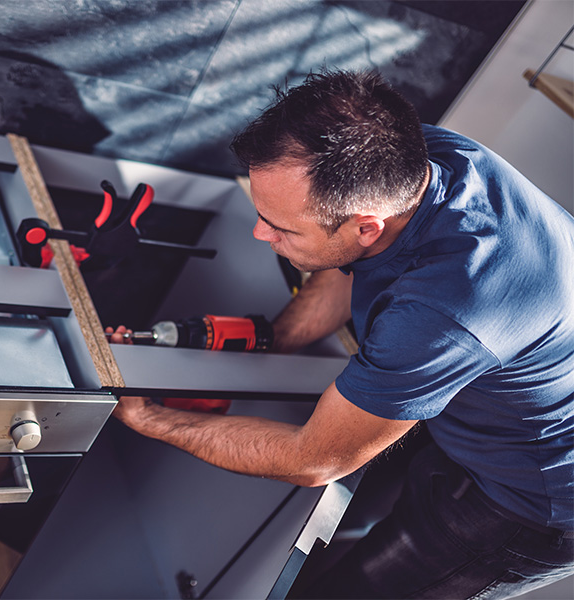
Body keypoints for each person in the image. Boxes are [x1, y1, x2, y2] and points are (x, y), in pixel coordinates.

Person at [107, 69, 574, 598]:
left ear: (364, 222)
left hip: (531, 506)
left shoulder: (445, 311)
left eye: (281, 227)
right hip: (496, 422)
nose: (260, 232)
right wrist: (275, 340)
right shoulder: (421, 159)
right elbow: (351, 258)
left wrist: (150, 418)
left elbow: (314, 460)